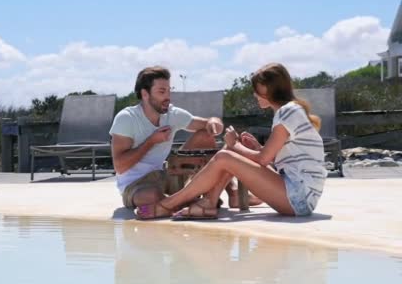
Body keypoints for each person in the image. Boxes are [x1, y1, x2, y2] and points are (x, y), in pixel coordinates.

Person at [136, 62, 327, 219]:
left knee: (225, 157)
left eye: (256, 89)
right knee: (232, 152)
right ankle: (209, 203)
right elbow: (284, 160)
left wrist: (235, 143)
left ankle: (168, 204)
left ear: (268, 88)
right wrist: (255, 148)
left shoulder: (288, 112)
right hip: (298, 192)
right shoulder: (290, 111)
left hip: (298, 197)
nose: (254, 94)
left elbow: (262, 160)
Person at [109, 66, 229, 214]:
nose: (168, 97)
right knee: (151, 196)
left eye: (168, 90)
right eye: (161, 92)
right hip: (136, 185)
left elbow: (206, 123)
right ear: (145, 94)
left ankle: (175, 202)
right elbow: (120, 166)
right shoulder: (127, 118)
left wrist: (214, 122)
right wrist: (151, 141)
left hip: (165, 174)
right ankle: (189, 200)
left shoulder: (172, 114)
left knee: (205, 135)